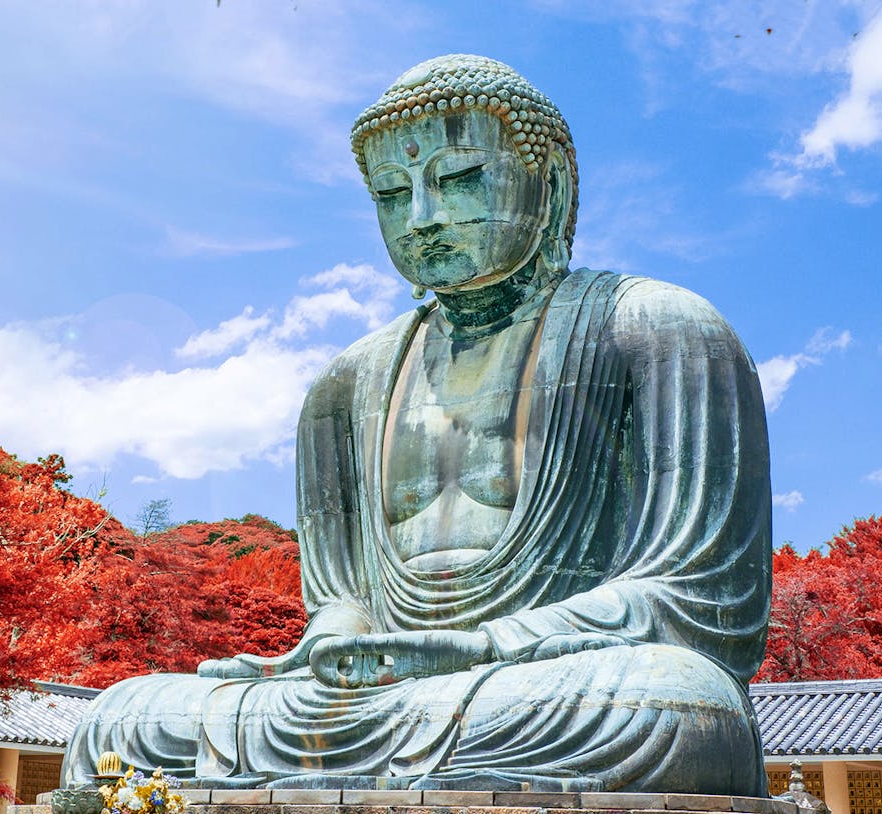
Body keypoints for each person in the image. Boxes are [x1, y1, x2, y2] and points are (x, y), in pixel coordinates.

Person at [64, 54, 772, 795]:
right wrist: (331, 648)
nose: (422, 218)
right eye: (392, 194)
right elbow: (343, 597)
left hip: (548, 682)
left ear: (552, 183)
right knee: (120, 720)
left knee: (673, 705)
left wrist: (476, 646)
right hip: (378, 698)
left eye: (459, 179)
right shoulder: (345, 384)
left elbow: (701, 602)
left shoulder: (658, 329)